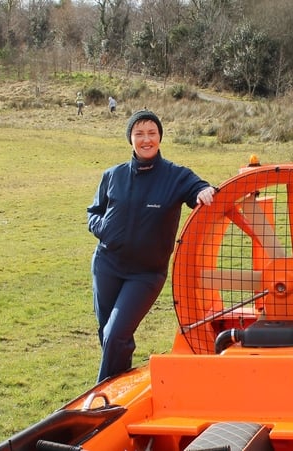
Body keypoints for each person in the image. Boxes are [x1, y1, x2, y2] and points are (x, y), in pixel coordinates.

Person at [87, 109, 216, 382]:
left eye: (152, 133)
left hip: (145, 274)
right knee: (110, 333)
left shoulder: (175, 176)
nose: (146, 139)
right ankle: (121, 384)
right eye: (139, 134)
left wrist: (205, 191)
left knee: (116, 333)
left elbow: (199, 189)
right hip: (107, 265)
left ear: (159, 137)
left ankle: (102, 393)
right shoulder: (113, 175)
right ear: (130, 139)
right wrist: (104, 230)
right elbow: (94, 212)